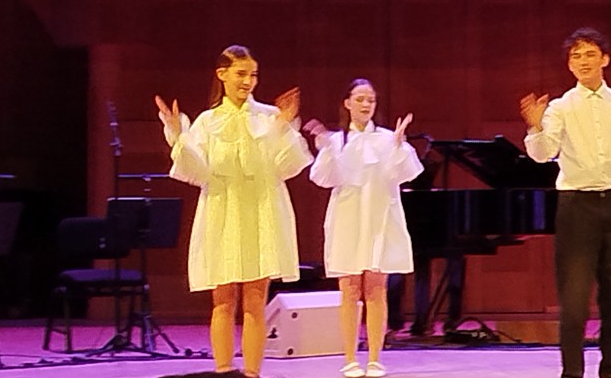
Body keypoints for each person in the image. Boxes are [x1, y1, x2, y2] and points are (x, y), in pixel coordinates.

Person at [156, 45, 313, 378]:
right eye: (241, 74)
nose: (248, 81)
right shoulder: (208, 121)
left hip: (261, 211)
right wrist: (178, 137)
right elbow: (197, 171)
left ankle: (253, 374)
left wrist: (284, 127)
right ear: (222, 74)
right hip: (223, 212)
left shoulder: (269, 117)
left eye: (253, 75)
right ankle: (224, 371)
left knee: (255, 300)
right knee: (223, 300)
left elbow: (288, 166)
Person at [520, 27, 611, 378]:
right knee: (574, 301)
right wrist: (535, 128)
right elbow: (542, 154)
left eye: (590, 54)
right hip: (576, 206)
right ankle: (572, 373)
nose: (582, 61)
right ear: (569, 64)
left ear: (605, 59)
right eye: (576, 56)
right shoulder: (560, 107)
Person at [305, 78, 424, 378]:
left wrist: (399, 146)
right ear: (347, 103)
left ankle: (374, 358)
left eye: (370, 99)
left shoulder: (387, 139)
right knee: (349, 289)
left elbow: (408, 173)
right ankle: (349, 358)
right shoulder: (336, 140)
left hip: (379, 218)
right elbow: (322, 178)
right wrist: (326, 149)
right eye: (360, 99)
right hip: (347, 220)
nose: (366, 104)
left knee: (376, 288)